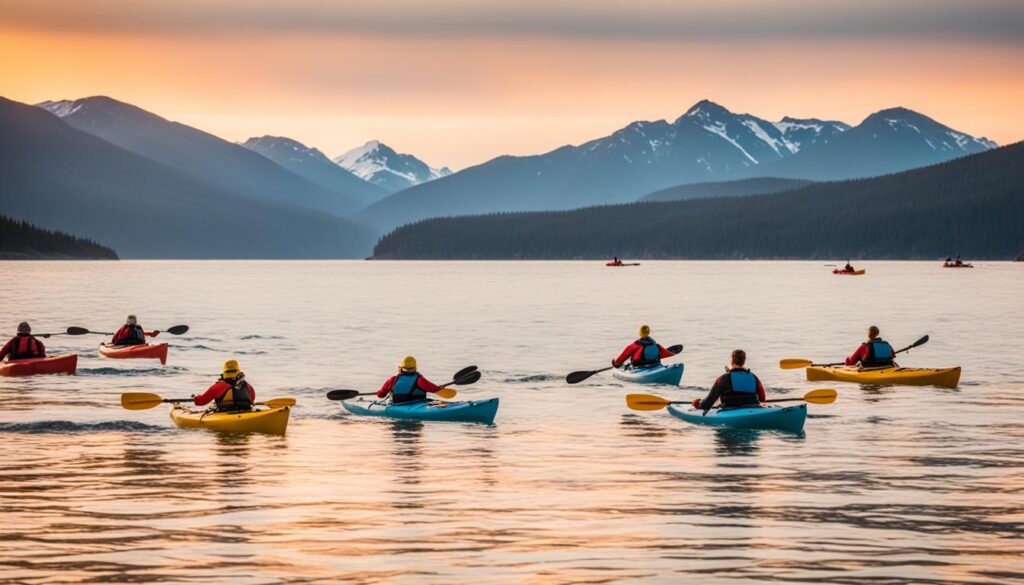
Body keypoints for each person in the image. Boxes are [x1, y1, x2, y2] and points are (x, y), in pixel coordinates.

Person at [691, 349, 766, 412]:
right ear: (744, 361)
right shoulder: (754, 377)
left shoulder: (722, 379)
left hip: (730, 410)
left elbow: (707, 404)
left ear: (732, 361)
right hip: (753, 409)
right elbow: (762, 399)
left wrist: (697, 404)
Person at [377, 356, 442, 404]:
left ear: (401, 368)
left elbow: (381, 395)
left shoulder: (393, 379)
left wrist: (379, 392)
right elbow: (434, 389)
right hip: (416, 405)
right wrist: (439, 388)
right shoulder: (420, 379)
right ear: (415, 367)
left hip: (397, 405)